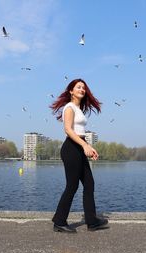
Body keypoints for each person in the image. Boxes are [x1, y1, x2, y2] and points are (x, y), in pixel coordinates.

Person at [50, 78, 109, 233]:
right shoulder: (69, 107)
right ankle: (59, 221)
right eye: (78, 87)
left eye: (83, 88)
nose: (82, 89)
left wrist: (89, 147)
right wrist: (84, 145)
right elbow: (68, 130)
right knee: (72, 185)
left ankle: (92, 221)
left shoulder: (78, 109)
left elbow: (80, 133)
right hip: (71, 148)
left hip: (79, 147)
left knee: (89, 183)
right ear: (71, 91)